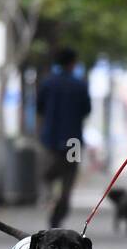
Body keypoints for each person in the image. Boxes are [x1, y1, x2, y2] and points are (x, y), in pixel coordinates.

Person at [36, 48, 92, 230]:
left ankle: (49, 194)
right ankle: (59, 211)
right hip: (73, 140)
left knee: (48, 172)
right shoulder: (80, 85)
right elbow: (86, 110)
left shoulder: (47, 83)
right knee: (68, 179)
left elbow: (39, 107)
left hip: (51, 138)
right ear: (72, 63)